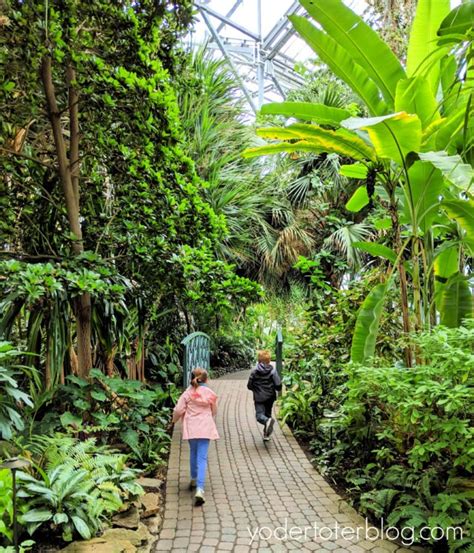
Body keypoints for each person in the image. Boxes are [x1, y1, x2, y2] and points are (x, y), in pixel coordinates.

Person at [172, 368, 219, 505]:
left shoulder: (187, 393)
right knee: (202, 457)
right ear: (206, 379)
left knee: (193, 452)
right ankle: (200, 488)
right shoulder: (210, 393)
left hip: (191, 427)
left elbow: (179, 409)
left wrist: (174, 421)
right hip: (205, 427)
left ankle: (193, 478)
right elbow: (214, 411)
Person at [247, 350, 282, 441]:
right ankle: (266, 435)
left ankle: (267, 423)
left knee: (260, 416)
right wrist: (277, 389)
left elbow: (249, 385)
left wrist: (255, 389)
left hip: (259, 397)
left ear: (259, 360)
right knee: (267, 414)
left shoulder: (254, 371)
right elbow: (278, 384)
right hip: (270, 397)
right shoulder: (273, 371)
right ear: (269, 360)